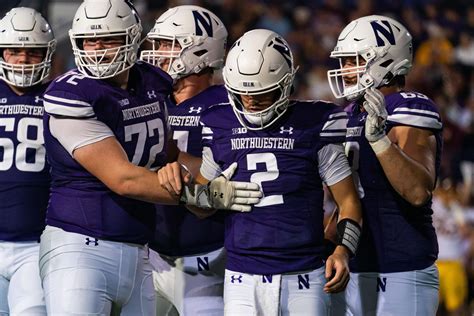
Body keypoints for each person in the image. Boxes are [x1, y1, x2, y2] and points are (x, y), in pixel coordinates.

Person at [38, 0, 261, 315]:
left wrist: (222, 174)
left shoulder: (150, 84)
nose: (97, 48)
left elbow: (171, 155)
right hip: (81, 247)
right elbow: (124, 179)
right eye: (90, 39)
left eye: (109, 39)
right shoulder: (74, 93)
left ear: (131, 38)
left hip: (138, 253)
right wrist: (204, 195)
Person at [158, 28, 363, 316]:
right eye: (242, 93)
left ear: (286, 83)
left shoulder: (315, 123)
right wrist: (208, 197)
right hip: (241, 275)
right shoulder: (219, 123)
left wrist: (343, 250)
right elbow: (199, 205)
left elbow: (349, 201)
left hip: (304, 273)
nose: (251, 101)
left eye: (262, 94)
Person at [327, 15, 442, 315]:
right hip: (355, 266)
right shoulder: (350, 113)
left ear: (385, 61)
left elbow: (417, 191)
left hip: (401, 269)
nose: (345, 70)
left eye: (353, 60)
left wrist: (379, 140)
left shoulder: (408, 106)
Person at [140, 5, 228, 315]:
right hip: (150, 255)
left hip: (207, 256)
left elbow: (222, 176)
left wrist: (174, 156)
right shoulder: (149, 100)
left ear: (200, 50)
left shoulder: (225, 106)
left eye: (168, 44)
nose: (159, 53)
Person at [0, 7, 55, 315]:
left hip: (37, 244)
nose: (22, 59)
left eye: (32, 52)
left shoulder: (61, 96)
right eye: (14, 50)